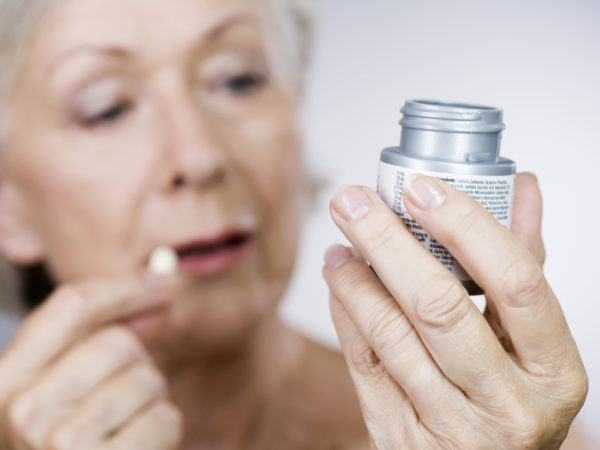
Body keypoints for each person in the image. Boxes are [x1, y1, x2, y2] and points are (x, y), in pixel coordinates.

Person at [0, 0, 589, 448]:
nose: (201, 157)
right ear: (9, 205)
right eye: (107, 108)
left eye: (238, 80)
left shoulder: (491, 431)